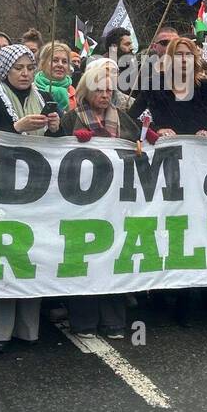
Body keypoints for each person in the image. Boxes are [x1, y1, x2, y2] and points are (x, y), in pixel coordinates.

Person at [0, 45, 57, 350]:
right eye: (18, 68)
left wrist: (57, 129)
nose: (24, 73)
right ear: (5, 70)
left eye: (29, 68)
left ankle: (27, 329)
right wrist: (16, 128)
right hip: (1, 186)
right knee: (0, 253)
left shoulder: (45, 99)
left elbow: (58, 145)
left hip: (37, 190)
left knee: (29, 254)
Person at [56, 61, 137, 338]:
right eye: (98, 89)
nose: (104, 94)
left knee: (114, 258)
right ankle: (84, 322)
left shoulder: (123, 119)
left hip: (117, 202)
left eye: (108, 89)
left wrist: (148, 140)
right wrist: (67, 139)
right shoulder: (71, 119)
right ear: (86, 91)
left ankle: (114, 321)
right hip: (81, 203)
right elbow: (53, 150)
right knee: (84, 260)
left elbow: (139, 145)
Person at [129, 37, 207, 137]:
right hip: (165, 150)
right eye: (178, 55)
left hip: (199, 150)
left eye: (188, 55)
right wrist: (157, 130)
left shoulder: (206, 87)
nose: (184, 60)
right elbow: (131, 119)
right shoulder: (154, 85)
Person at [36, 40, 76, 114]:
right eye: (55, 60)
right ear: (43, 63)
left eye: (64, 61)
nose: (60, 65)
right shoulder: (33, 89)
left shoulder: (76, 94)